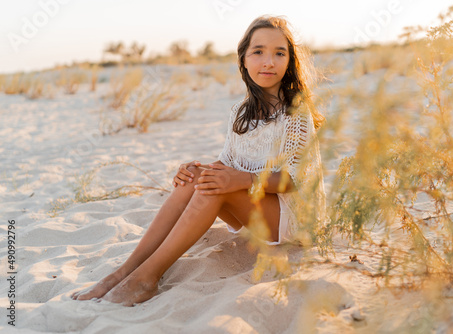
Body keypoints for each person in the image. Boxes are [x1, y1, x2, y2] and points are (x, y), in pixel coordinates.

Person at [71, 15, 326, 307]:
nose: (268, 61)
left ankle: (145, 279)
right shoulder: (239, 113)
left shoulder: (296, 113)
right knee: (198, 179)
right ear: (243, 59)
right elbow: (226, 165)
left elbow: (295, 180)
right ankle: (124, 271)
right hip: (255, 211)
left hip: (291, 220)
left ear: (289, 61)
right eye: (258, 52)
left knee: (213, 188)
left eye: (279, 53)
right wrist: (195, 170)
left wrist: (239, 180)